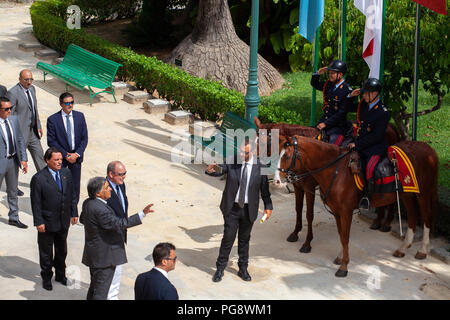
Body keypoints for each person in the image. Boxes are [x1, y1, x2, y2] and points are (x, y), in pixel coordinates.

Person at [206, 138, 273, 282]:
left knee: (244, 240)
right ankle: (220, 268)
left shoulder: (261, 166)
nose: (242, 154)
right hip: (232, 208)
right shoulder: (232, 160)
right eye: (241, 151)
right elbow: (221, 169)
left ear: (254, 152)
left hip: (249, 210)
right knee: (228, 238)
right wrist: (211, 169)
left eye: (246, 152)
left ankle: (243, 268)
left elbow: (265, 190)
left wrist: (268, 206)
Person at [80, 177, 154, 300]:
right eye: (107, 187)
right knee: (101, 292)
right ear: (98, 193)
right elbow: (119, 224)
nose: (110, 189)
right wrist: (142, 214)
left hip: (94, 254)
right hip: (104, 257)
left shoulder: (88, 203)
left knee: (95, 287)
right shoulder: (100, 209)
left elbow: (83, 219)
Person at [30, 147, 78, 291]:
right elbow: (36, 203)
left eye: (60, 160)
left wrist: (74, 212)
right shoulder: (38, 178)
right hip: (47, 222)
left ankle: (60, 274)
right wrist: (38, 221)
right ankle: (46, 277)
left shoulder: (66, 173)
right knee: (46, 252)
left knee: (61, 250)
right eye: (56, 160)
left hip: (63, 220)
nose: (59, 162)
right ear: (47, 160)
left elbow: (72, 194)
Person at [347, 78, 390, 210]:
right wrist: (350, 96)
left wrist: (357, 145)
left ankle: (367, 196)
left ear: (375, 93)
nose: (364, 95)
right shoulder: (364, 104)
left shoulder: (383, 112)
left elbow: (376, 136)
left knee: (370, 169)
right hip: (359, 142)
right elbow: (348, 108)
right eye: (364, 93)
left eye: (366, 93)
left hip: (374, 148)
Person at [47, 92, 88, 204]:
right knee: (60, 185)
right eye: (67, 103)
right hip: (61, 158)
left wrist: (77, 154)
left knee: (75, 186)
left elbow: (84, 138)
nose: (70, 105)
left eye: (72, 102)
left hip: (76, 158)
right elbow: (51, 141)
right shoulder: (53, 119)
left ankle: (73, 211)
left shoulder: (80, 116)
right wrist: (65, 155)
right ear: (61, 104)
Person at [6, 70, 46, 183]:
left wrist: (38, 124)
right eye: (26, 80)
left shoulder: (32, 89)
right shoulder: (12, 93)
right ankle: (13, 185)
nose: (29, 82)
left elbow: (34, 108)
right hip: (20, 133)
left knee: (39, 155)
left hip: (32, 131)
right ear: (20, 79)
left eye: (31, 79)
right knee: (18, 160)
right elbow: (9, 115)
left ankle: (45, 182)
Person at [310, 60, 354, 146]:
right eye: (329, 73)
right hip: (324, 121)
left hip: (338, 126)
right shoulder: (328, 84)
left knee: (329, 149)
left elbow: (341, 113)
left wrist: (326, 124)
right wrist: (318, 73)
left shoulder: (347, 90)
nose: (330, 75)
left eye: (333, 73)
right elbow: (315, 84)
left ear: (340, 74)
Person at [0, 97, 28, 228]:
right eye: (6, 109)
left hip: (13, 161)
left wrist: (24, 159)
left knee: (12, 191)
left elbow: (20, 139)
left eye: (10, 108)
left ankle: (13, 217)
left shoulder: (13, 120)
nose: (10, 111)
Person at [106, 161, 129, 243]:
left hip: (121, 233)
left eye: (124, 173)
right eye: (120, 174)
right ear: (111, 174)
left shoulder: (121, 185)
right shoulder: (102, 189)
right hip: (109, 238)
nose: (124, 177)